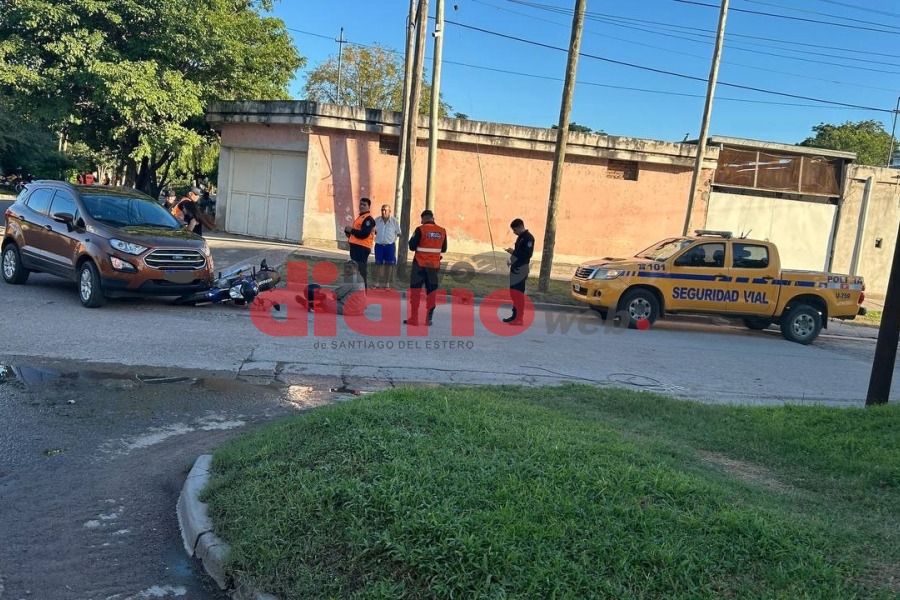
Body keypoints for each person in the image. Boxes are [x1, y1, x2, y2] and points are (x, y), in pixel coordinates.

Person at [405, 209, 447, 327]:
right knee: (431, 292)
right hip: (433, 266)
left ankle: (414, 317)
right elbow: (443, 249)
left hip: (419, 264)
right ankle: (428, 319)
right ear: (433, 218)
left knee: (415, 291)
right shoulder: (442, 231)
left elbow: (412, 246)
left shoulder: (420, 229)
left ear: (423, 218)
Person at [295, 261, 366, 316]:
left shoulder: (350, 279)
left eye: (350, 268)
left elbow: (338, 295)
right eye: (346, 267)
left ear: (356, 269)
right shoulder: (359, 278)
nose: (347, 269)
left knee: (323, 301)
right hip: (360, 309)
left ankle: (306, 304)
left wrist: (334, 294)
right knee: (327, 301)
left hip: (348, 309)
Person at [503, 218, 535, 325]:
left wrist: (514, 252)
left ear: (520, 227)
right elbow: (517, 254)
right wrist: (511, 261)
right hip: (515, 268)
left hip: (521, 269)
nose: (514, 232)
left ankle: (519, 318)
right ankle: (514, 315)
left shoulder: (528, 238)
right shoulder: (520, 237)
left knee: (518, 294)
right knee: (513, 293)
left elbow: (526, 255)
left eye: (514, 230)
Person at [343, 197, 376, 288]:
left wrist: (352, 230)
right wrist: (349, 234)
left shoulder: (368, 219)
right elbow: (358, 233)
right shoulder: (361, 217)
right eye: (360, 204)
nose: (361, 206)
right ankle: (356, 291)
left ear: (369, 206)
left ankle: (362, 293)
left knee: (361, 271)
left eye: (364, 204)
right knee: (356, 271)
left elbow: (364, 234)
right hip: (356, 247)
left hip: (362, 248)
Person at [373, 203, 401, 288]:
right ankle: (377, 283)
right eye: (382, 210)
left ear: (390, 211)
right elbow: (373, 231)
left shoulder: (394, 221)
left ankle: (387, 284)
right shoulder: (376, 220)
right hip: (379, 245)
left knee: (389, 265)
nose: (383, 212)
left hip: (390, 246)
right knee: (378, 264)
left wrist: (393, 239)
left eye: (385, 210)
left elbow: (399, 233)